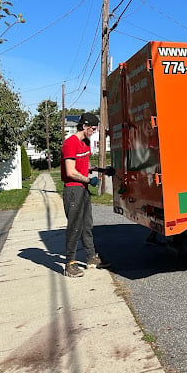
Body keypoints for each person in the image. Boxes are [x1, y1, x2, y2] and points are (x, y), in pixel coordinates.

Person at [61, 112, 110, 277]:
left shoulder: (86, 143)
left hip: (83, 189)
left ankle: (91, 258)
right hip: (73, 190)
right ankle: (70, 264)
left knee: (87, 224)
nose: (94, 131)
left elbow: (83, 166)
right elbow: (70, 172)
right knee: (75, 227)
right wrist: (89, 180)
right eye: (93, 128)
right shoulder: (70, 143)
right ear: (84, 126)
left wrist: (102, 171)